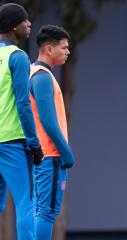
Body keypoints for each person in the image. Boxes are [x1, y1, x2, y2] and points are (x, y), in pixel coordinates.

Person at [0, 3, 43, 239]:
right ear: (13, 26)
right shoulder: (18, 57)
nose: (29, 24)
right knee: (26, 202)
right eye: (25, 20)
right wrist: (34, 142)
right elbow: (23, 104)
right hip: (12, 141)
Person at [29, 24, 75, 240]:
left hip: (43, 156)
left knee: (42, 211)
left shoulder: (36, 73)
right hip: (51, 156)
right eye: (64, 48)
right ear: (49, 49)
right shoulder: (42, 77)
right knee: (47, 213)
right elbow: (48, 120)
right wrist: (66, 152)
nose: (68, 52)